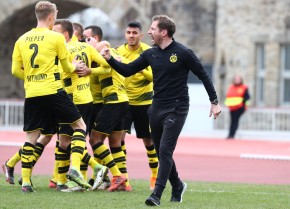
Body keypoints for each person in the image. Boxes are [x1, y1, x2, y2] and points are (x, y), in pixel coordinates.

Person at [101, 15, 221, 206]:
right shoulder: (151, 54)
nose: (149, 32)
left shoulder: (183, 52)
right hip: (156, 107)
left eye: (153, 29)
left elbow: (204, 75)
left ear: (163, 32)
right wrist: (109, 60)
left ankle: (156, 194)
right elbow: (126, 70)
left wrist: (214, 101)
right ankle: (178, 185)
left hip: (177, 107)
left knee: (165, 149)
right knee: (160, 151)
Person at [11, 1, 88, 192]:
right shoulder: (55, 38)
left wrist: (31, 77)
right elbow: (67, 67)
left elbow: (14, 71)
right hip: (53, 90)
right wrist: (76, 67)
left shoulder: (21, 39)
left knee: (31, 137)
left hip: (32, 92)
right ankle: (76, 169)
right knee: (80, 126)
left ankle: (27, 182)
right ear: (52, 16)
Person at [116, 21, 158, 191]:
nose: (131, 35)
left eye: (135, 33)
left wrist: (140, 70)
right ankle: (124, 179)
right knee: (119, 139)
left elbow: (155, 77)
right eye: (128, 32)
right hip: (124, 101)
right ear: (125, 34)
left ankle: (154, 175)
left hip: (144, 102)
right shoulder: (118, 51)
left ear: (141, 35)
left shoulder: (149, 52)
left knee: (148, 140)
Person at [225, 75, 250, 139]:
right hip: (232, 107)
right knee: (233, 121)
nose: (237, 81)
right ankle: (230, 134)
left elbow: (247, 98)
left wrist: (244, 106)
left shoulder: (244, 87)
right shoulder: (231, 87)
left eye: (238, 79)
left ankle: (231, 135)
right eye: (235, 79)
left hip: (239, 107)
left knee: (235, 121)